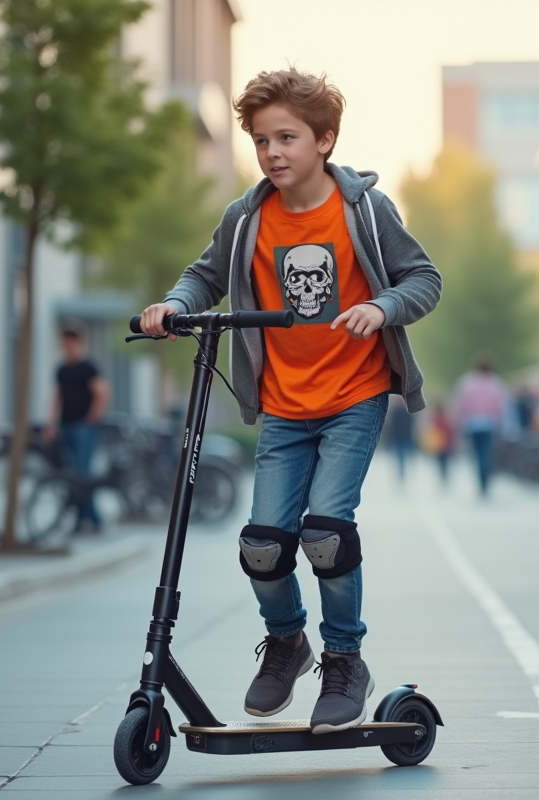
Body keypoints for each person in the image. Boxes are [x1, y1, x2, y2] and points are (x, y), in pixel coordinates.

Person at [137, 68, 440, 735]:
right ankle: (286, 642)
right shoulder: (247, 218)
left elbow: (424, 278)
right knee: (263, 548)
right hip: (283, 405)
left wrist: (381, 305)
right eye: (261, 141)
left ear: (325, 140)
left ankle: (343, 658)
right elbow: (205, 276)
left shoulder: (363, 210)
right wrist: (176, 306)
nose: (273, 152)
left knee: (326, 535)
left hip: (355, 397)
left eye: (288, 137)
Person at [42, 326, 110, 535]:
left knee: (82, 474)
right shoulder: (62, 369)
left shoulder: (88, 366)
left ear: (78, 342)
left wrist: (92, 418)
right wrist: (51, 423)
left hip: (84, 427)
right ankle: (88, 519)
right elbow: (58, 397)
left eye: (70, 342)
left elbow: (102, 392)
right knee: (73, 476)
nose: (67, 346)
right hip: (67, 425)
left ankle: (89, 519)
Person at [452, 356, 510, 497]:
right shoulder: (496, 384)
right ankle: (485, 481)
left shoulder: (466, 383)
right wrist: (503, 425)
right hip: (489, 424)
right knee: (486, 453)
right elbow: (501, 407)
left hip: (472, 424)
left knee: (477, 455)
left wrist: (458, 423)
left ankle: (481, 481)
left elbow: (460, 405)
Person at [384, 396, 416, 482]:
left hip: (398, 437)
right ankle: (402, 473)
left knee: (399, 456)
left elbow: (391, 426)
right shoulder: (407, 412)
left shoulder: (395, 412)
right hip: (404, 437)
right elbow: (411, 425)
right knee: (403, 456)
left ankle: (401, 473)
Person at [422, 403, 455, 487]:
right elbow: (450, 432)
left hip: (439, 446)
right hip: (445, 446)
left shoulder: (435, 420)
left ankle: (443, 476)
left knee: (441, 462)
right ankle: (445, 476)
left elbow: (431, 432)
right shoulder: (446, 419)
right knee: (445, 462)